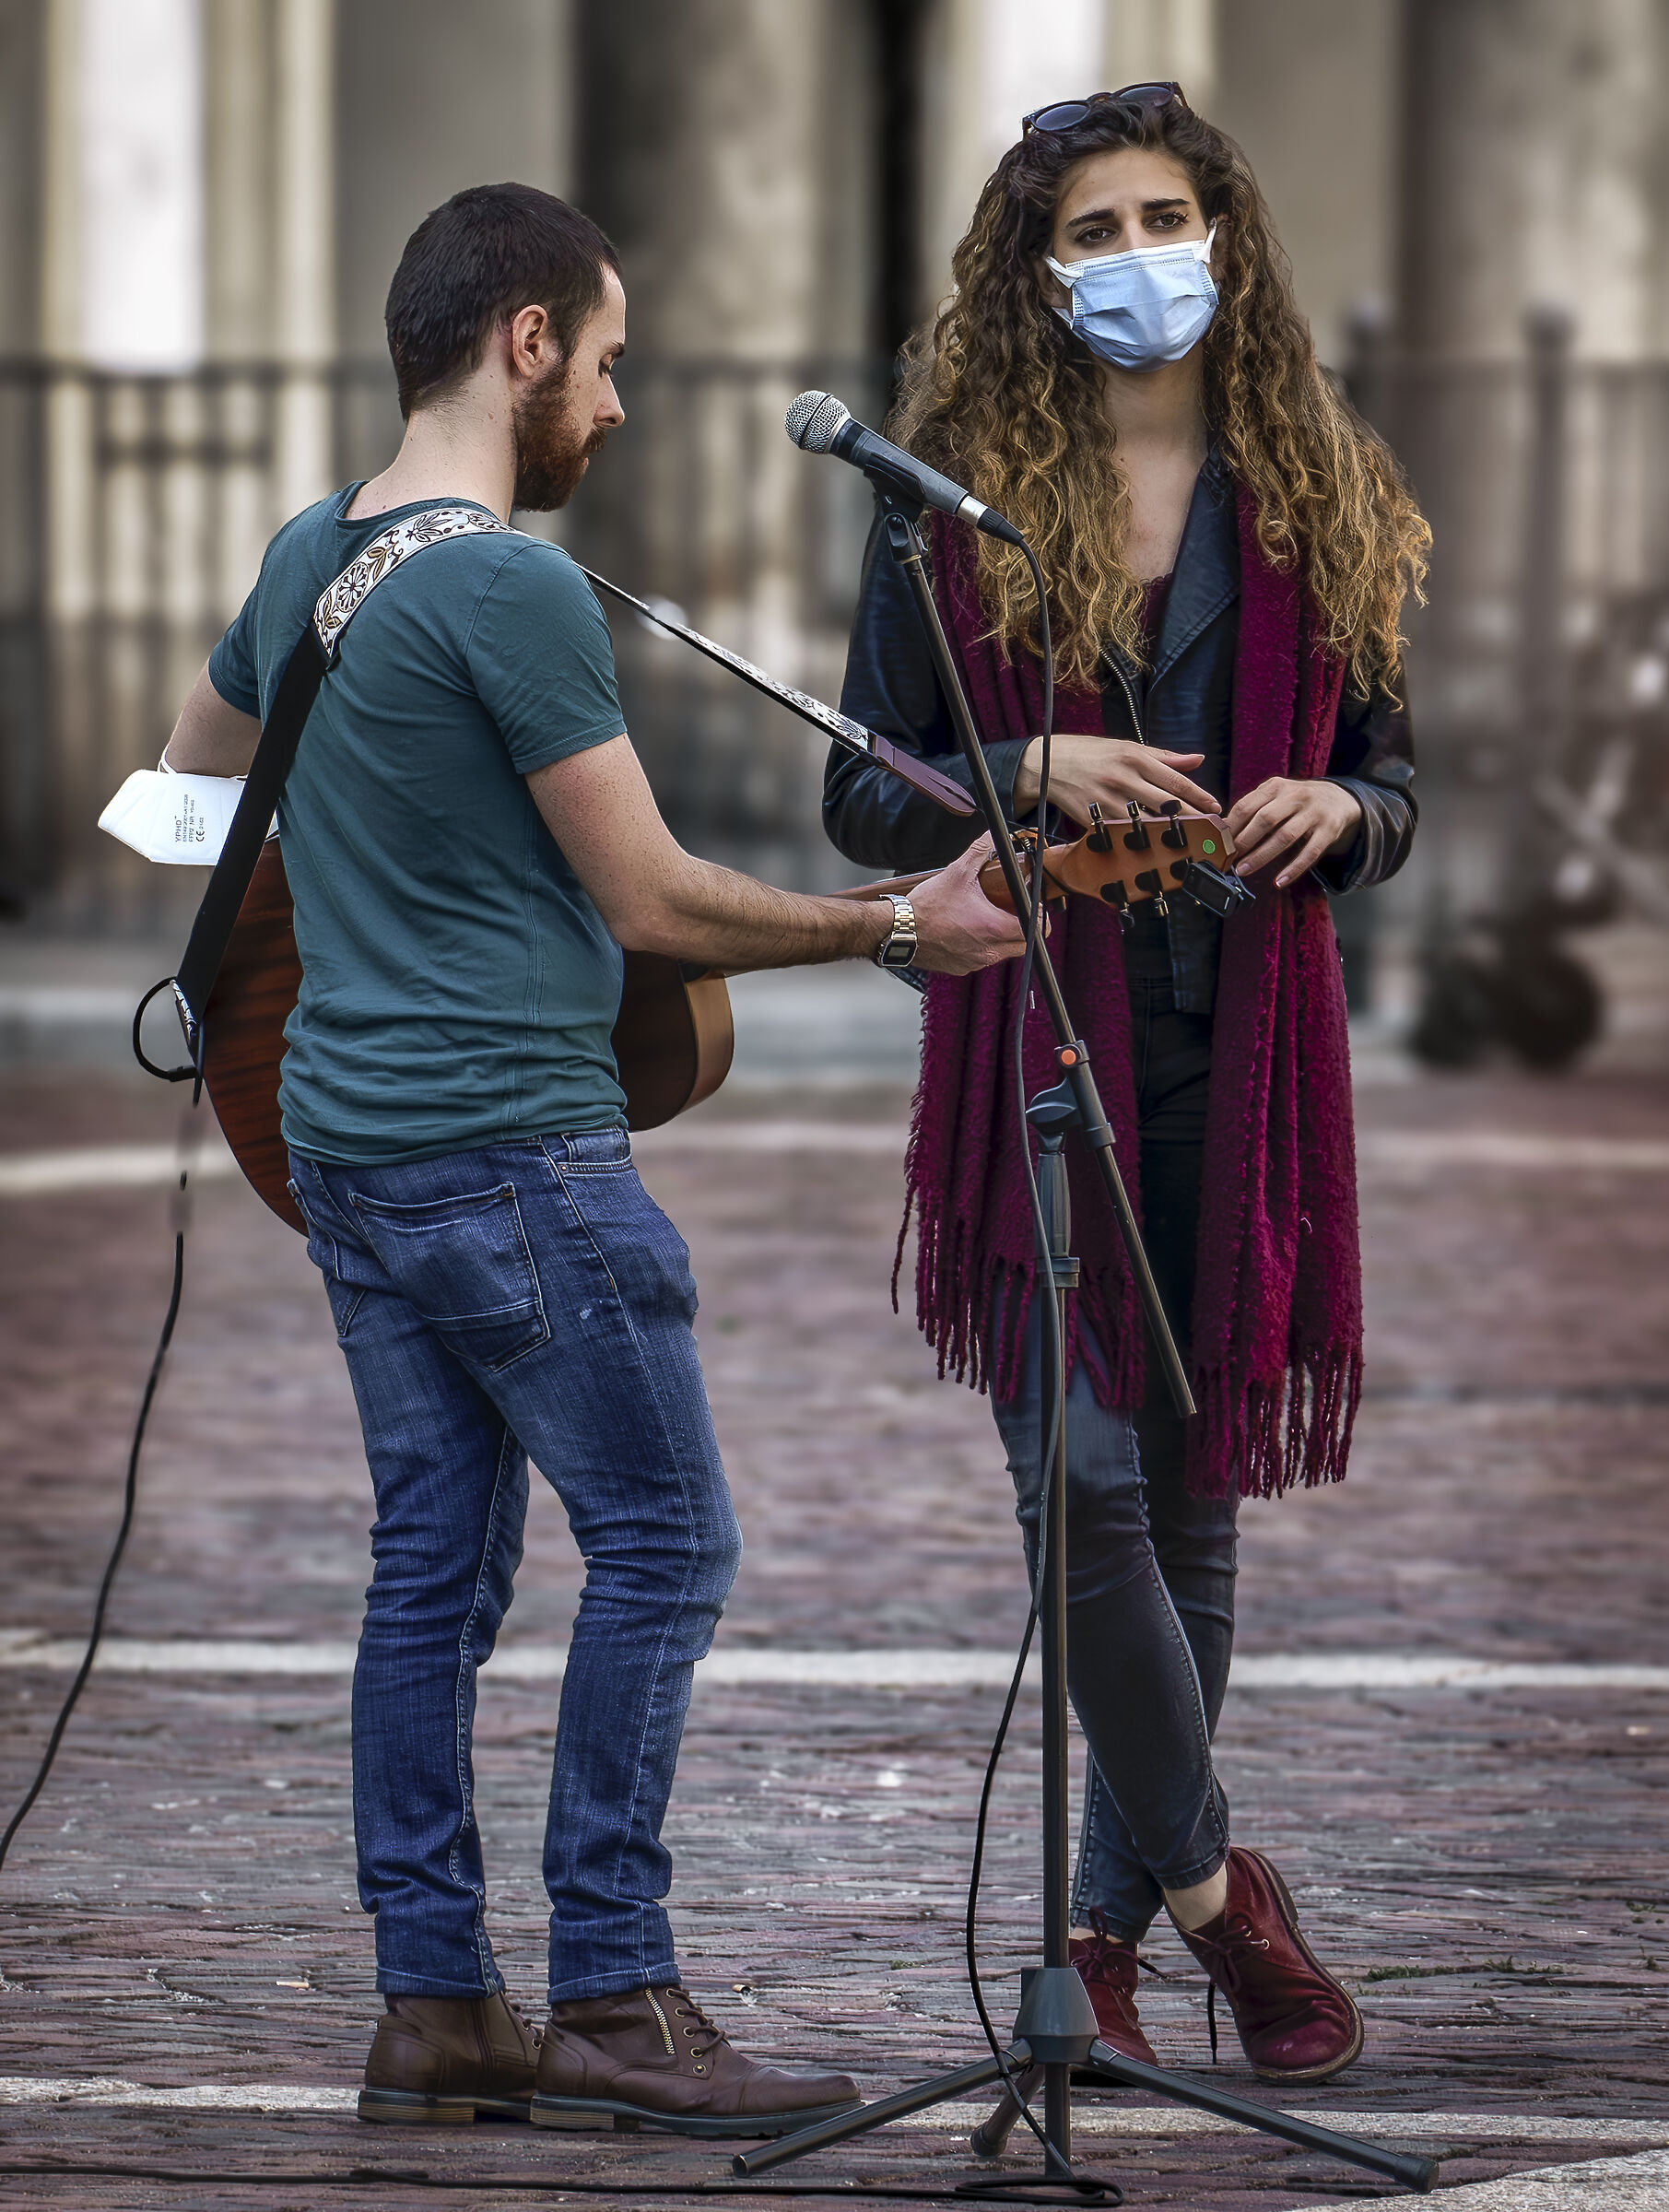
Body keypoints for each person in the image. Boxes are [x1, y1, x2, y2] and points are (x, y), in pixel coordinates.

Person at [161, 182, 1024, 2136]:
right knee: (665, 1543)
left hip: (348, 1151)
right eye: (610, 359)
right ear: (525, 342)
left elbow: (186, 791)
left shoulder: (312, 550)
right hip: (513, 1158)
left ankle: (438, 2003)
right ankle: (618, 1995)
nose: (620, 404)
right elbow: (651, 902)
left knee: (431, 1575)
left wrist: (359, 907)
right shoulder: (514, 589)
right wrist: (897, 927)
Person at [824, 87, 1428, 2084]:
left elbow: (1401, 782)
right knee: (1074, 1483)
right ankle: (1215, 1901)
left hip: (1239, 1049)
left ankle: (1098, 1936)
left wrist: (1343, 802)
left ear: (1230, 242)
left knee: (1185, 1510)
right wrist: (1027, 773)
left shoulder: (1322, 491)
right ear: (1037, 268)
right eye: (1094, 228)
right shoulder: (949, 505)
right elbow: (855, 786)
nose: (1137, 254)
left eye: (1168, 215)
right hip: (1036, 1043)